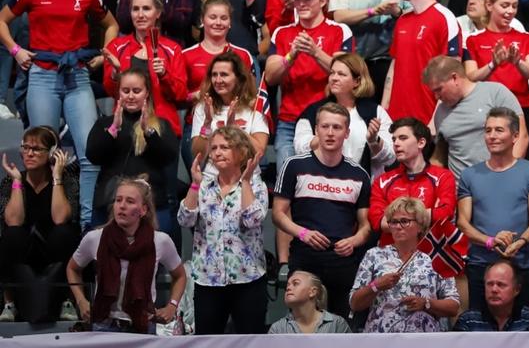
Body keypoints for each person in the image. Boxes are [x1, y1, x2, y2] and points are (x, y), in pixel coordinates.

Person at [0, 0, 119, 226]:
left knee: (90, 153)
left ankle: (86, 226)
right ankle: (45, 226)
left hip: (77, 77)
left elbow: (112, 24)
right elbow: (1, 20)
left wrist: (104, 55)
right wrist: (16, 51)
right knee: (41, 154)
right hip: (42, 77)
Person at [272, 103, 372, 320]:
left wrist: (354, 241)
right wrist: (302, 233)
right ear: (316, 129)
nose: (330, 132)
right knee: (302, 325)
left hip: (342, 259)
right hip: (304, 256)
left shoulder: (359, 174)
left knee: (341, 327)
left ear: (347, 133)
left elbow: (366, 225)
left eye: (337, 127)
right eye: (325, 126)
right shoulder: (294, 165)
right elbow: (278, 214)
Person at [66, 178, 185, 333]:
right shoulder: (95, 238)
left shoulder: (160, 241)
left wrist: (172, 306)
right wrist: (81, 301)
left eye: (130, 201)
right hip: (104, 324)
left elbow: (180, 275)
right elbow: (72, 268)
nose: (121, 206)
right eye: (118, 200)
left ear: (143, 210)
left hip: (143, 325)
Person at [178, 126, 266, 334]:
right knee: (207, 346)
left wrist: (245, 181)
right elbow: (185, 219)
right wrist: (195, 185)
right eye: (214, 147)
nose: (217, 152)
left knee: (251, 344)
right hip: (208, 280)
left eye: (225, 147)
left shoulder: (256, 186)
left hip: (248, 279)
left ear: (241, 152)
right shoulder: (204, 186)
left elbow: (253, 219)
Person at [457, 108, 529, 310]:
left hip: (520, 265)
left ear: (515, 136)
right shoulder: (470, 174)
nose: (492, 136)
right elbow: (462, 222)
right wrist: (490, 241)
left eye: (499, 130)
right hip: (481, 265)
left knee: (522, 331)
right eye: (488, 130)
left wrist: (519, 243)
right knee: (481, 332)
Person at [265, 0, 355, 166]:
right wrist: (291, 56)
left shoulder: (339, 30)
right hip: (289, 121)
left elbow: (347, 72)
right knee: (286, 184)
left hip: (326, 120)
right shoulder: (282, 32)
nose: (301, 3)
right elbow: (271, 78)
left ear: (323, 0)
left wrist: (315, 52)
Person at [0, 127, 80, 323]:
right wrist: (18, 181)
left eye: (36, 149)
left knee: (64, 233)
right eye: (25, 147)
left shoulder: (67, 180)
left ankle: (67, 301)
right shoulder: (11, 180)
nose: (29, 153)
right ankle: (9, 303)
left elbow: (60, 217)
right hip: (25, 249)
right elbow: (13, 220)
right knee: (11, 235)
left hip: (53, 248)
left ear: (52, 153)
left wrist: (57, 178)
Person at [350, 197, 460, 332]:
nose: (397, 226)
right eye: (393, 222)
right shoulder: (374, 255)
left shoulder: (437, 257)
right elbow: (354, 303)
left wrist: (426, 303)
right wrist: (376, 286)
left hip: (424, 340)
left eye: (404, 221)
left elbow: (453, 306)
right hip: (381, 339)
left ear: (420, 225)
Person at [87, 69, 179, 230]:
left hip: (151, 204)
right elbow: (93, 156)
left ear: (147, 93)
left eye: (136, 91)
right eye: (125, 91)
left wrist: (148, 132)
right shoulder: (104, 124)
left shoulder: (161, 125)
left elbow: (168, 157)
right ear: (119, 93)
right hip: (110, 202)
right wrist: (113, 130)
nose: (130, 96)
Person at [383, 0, 462, 125]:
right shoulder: (403, 20)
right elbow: (394, 66)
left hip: (427, 119)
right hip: (395, 118)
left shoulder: (445, 18)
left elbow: (453, 73)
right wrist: (384, 110)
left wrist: (434, 122)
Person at [103, 0, 189, 137]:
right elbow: (111, 92)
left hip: (162, 127)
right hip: (125, 127)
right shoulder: (116, 47)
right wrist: (115, 74)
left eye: (146, 9)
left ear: (158, 13)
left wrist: (164, 75)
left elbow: (181, 95)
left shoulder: (172, 49)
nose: (140, 15)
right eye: (135, 9)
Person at [464, 0, 529, 148]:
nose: (510, 11)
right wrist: (493, 64)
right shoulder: (473, 40)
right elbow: (471, 76)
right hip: (487, 110)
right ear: (489, 5)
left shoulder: (527, 38)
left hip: (520, 108)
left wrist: (517, 61)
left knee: (522, 163)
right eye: (505, 5)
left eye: (514, 6)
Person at [181, 0, 255, 167]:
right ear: (202, 20)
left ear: (230, 23)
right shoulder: (187, 55)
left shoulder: (242, 55)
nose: (218, 22)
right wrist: (198, 95)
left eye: (223, 18)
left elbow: (251, 93)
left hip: (237, 125)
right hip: (198, 127)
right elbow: (177, 97)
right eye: (212, 17)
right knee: (201, 183)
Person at [425, 56, 526, 181]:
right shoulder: (441, 112)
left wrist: (506, 176)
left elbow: (522, 136)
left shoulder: (494, 92)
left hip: (499, 181)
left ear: (455, 78)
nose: (436, 97)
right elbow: (440, 156)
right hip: (461, 192)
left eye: (439, 89)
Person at [294, 52, 393, 179]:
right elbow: (299, 148)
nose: (334, 78)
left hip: (364, 189)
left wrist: (374, 141)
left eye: (341, 74)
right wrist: (323, 138)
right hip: (323, 186)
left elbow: (390, 158)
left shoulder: (375, 112)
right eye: (332, 73)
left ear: (356, 81)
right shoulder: (313, 111)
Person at [369, 117, 456, 247]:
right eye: (394, 139)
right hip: (391, 257)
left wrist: (395, 220)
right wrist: (426, 215)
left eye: (403, 138)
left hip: (430, 256)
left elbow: (444, 214)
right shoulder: (382, 181)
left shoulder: (443, 176)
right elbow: (378, 222)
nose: (396, 143)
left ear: (421, 143)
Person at [190, 51, 268, 165]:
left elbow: (259, 152)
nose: (218, 80)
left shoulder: (255, 106)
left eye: (224, 75)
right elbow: (198, 156)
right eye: (214, 75)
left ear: (238, 78)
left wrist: (234, 128)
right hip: (212, 179)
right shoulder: (204, 107)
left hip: (247, 178)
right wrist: (207, 123)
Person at [453, 260, 529, 331]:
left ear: (517, 289)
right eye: (490, 284)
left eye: (501, 285)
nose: (494, 290)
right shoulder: (467, 321)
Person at [269, 270, 350, 334]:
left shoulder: (337, 324)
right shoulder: (278, 328)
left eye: (295, 283)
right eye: (288, 285)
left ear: (313, 292)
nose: (288, 288)